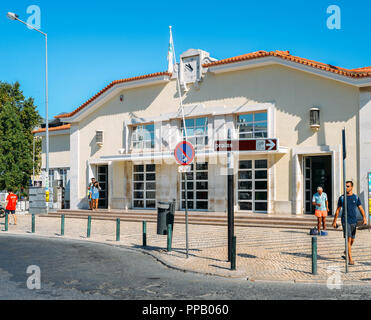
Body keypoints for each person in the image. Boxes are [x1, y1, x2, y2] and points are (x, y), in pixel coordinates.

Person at [332, 181, 367, 265]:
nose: (346, 188)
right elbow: (337, 210)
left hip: (353, 221)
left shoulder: (356, 197)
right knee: (348, 239)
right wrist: (334, 221)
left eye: (347, 186)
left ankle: (346, 251)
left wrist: (364, 218)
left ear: (351, 187)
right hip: (345, 221)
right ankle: (350, 258)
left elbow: (361, 208)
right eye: (345, 186)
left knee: (352, 239)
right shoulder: (342, 198)